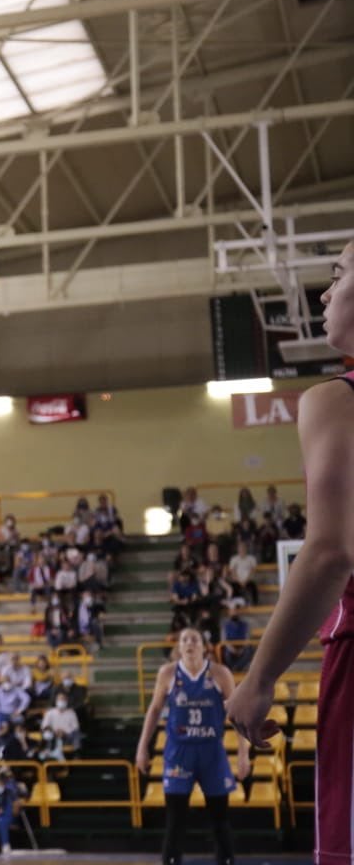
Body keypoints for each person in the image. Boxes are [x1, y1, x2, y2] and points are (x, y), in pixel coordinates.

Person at [229, 242, 354, 864]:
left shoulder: (336, 399)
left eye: (338, 275)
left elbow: (331, 554)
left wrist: (259, 678)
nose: (326, 294)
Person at [137, 628, 247, 865]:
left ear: (204, 645)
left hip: (212, 752)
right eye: (184, 639)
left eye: (194, 639)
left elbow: (236, 714)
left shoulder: (220, 673)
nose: (189, 643)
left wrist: (243, 754)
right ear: (178, 646)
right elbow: (154, 710)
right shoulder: (167, 673)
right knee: (175, 820)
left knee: (219, 818)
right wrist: (142, 747)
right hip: (179, 753)